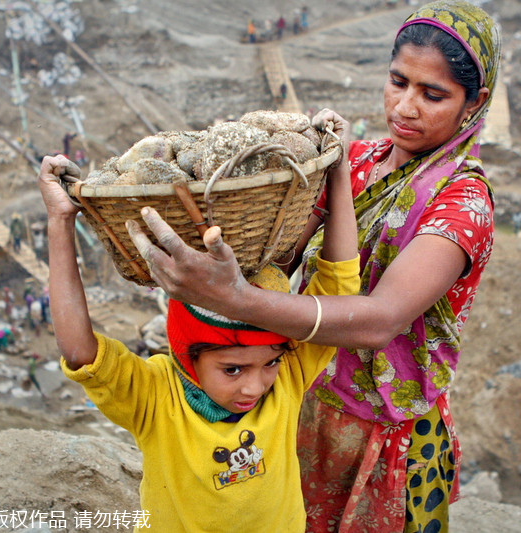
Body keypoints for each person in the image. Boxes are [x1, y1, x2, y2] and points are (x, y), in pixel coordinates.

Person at [126, 2, 501, 531]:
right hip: (299, 397)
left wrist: (233, 298)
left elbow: (381, 319)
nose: (405, 106)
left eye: (432, 94)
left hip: (383, 434)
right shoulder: (362, 160)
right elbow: (283, 255)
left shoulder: (464, 203)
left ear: (474, 102)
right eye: (398, 81)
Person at [37, 149, 359, 532]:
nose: (254, 386)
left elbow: (338, 289)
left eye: (269, 362)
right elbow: (78, 351)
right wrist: (60, 220)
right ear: (188, 355)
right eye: (233, 368)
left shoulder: (287, 379)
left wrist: (340, 176)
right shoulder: (156, 398)